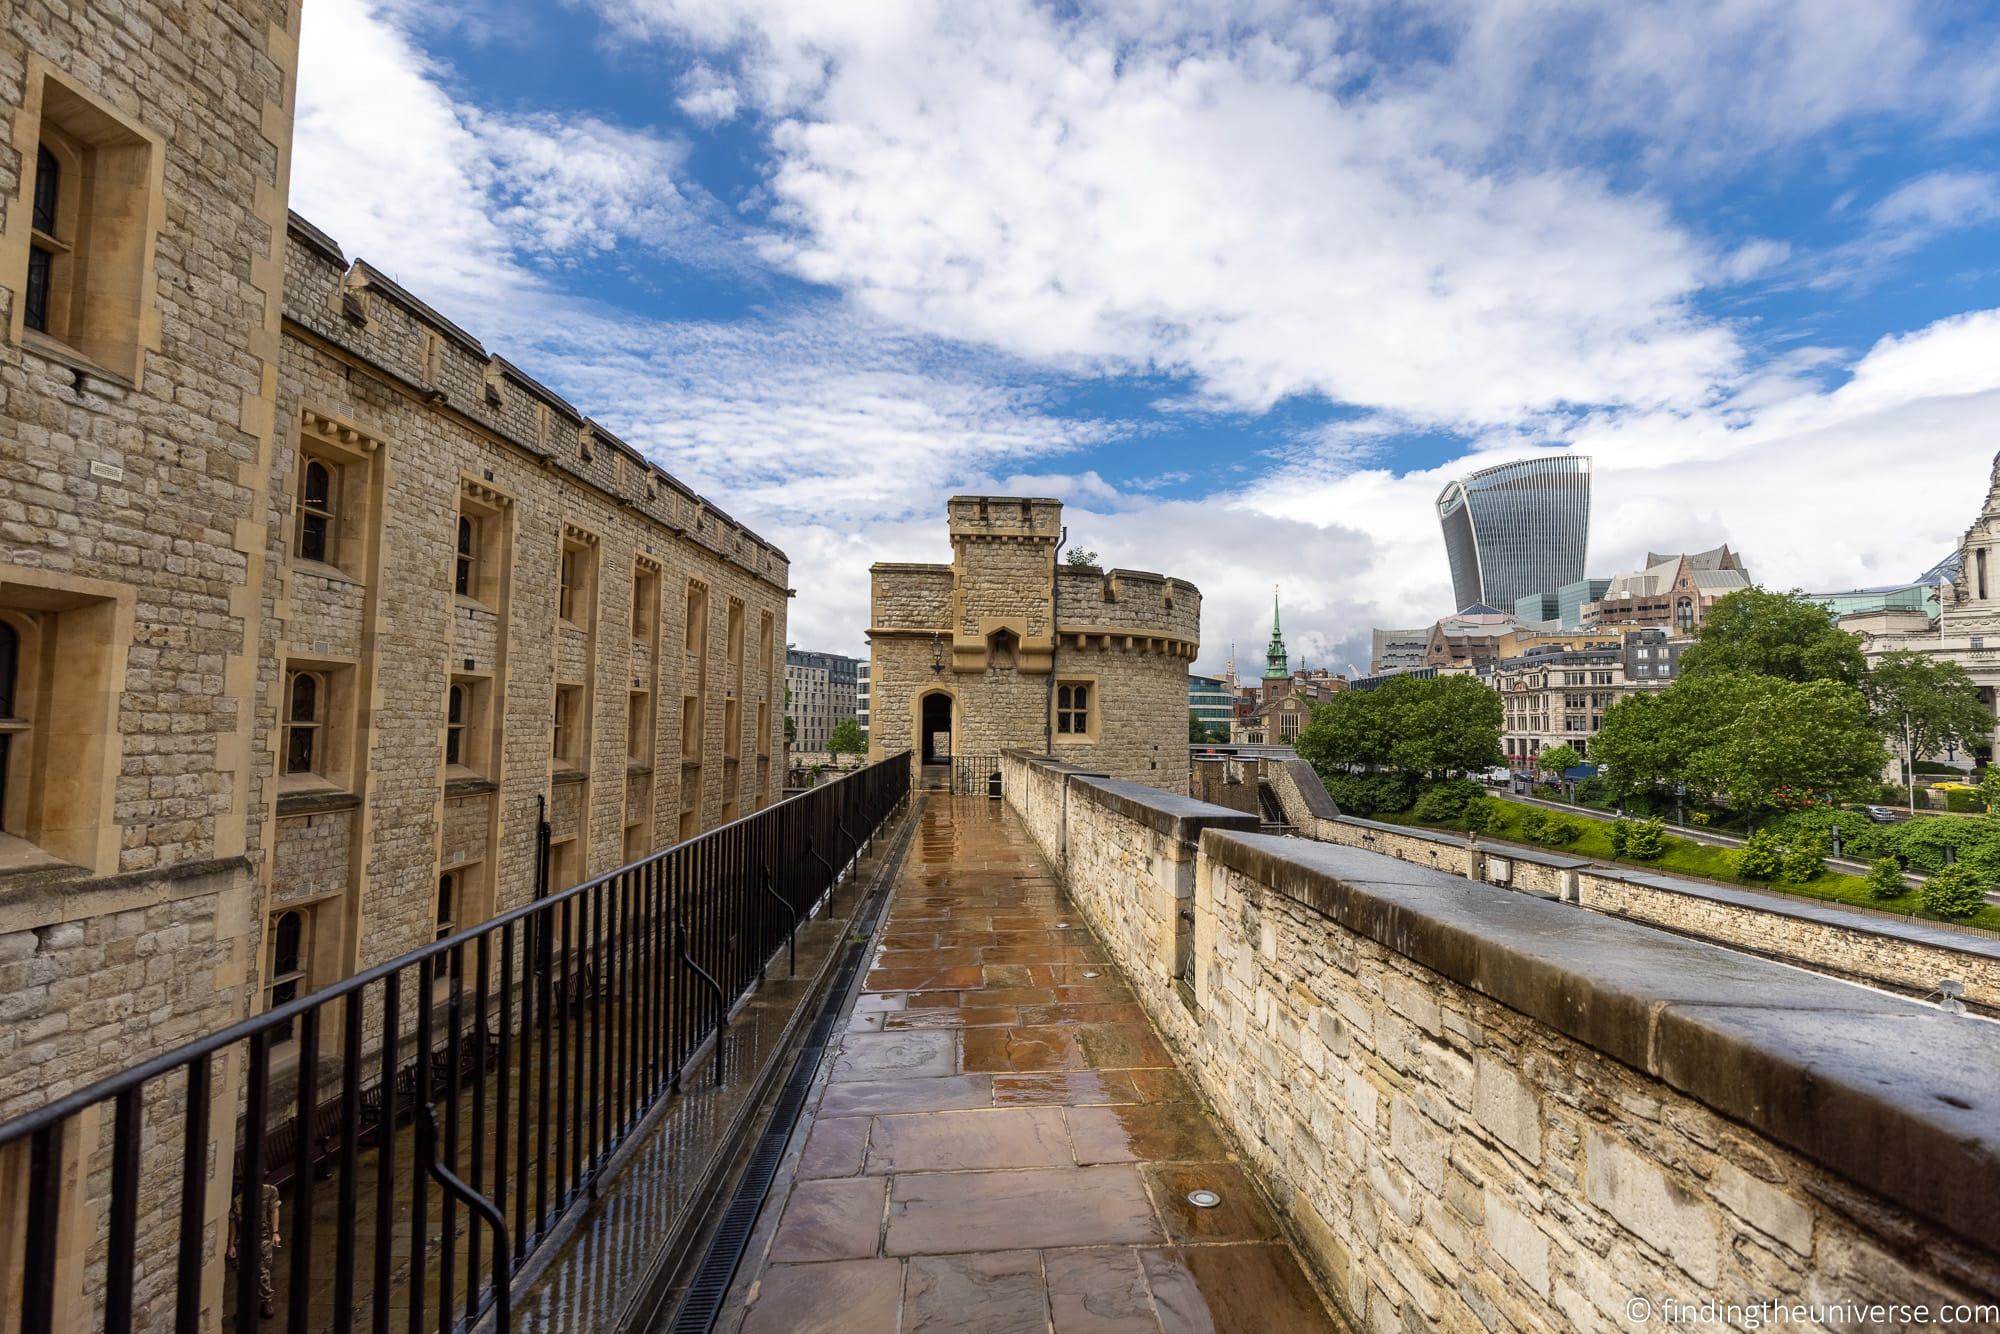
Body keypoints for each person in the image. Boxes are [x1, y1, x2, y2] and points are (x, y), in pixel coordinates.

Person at [227, 1180, 281, 1319]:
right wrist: (231, 1245)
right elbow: (233, 1223)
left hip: (262, 1237)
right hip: (243, 1239)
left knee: (262, 1270)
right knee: (243, 1273)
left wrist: (275, 1232)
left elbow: (274, 1210)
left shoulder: (269, 1191)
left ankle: (265, 1302)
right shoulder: (238, 1201)